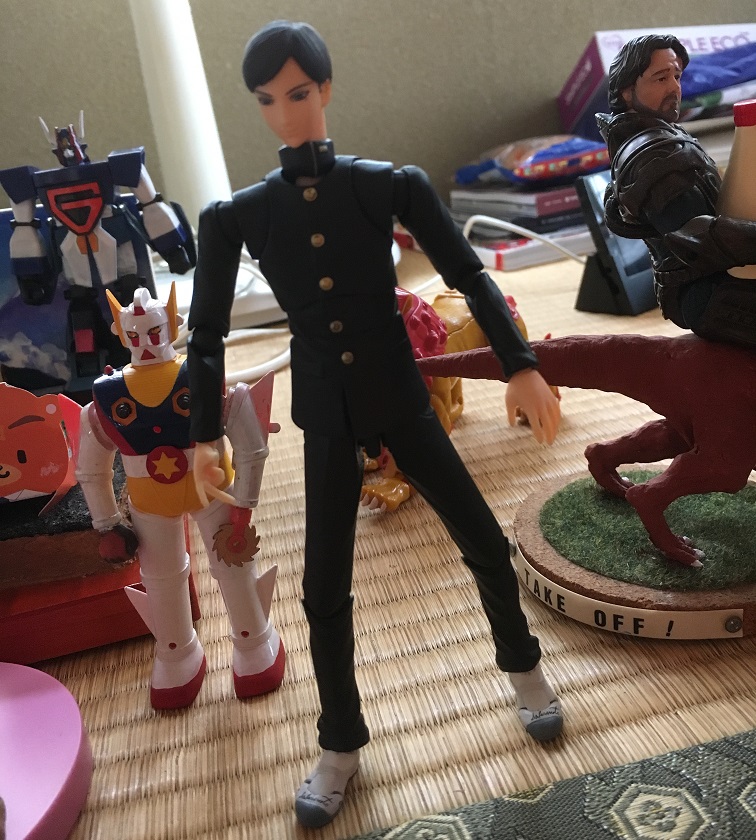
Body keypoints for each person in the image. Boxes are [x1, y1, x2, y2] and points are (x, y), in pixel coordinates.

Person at [187, 20, 563, 828]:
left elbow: (467, 272)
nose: (286, 113)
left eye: (298, 93)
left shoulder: (388, 185)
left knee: (481, 538)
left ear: (325, 89)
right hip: (325, 411)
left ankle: (526, 670)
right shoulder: (237, 216)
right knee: (324, 587)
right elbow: (207, 332)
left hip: (399, 394)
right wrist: (199, 432)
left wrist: (520, 362)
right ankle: (340, 742)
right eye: (267, 100)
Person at [76, 285, 284, 710]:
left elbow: (251, 445)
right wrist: (107, 523)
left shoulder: (202, 376)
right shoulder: (107, 398)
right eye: (136, 335)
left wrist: (245, 503)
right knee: (161, 578)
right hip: (151, 504)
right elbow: (91, 470)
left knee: (233, 566)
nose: (146, 342)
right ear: (122, 335)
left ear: (171, 326)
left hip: (213, 491)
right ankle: (176, 652)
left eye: (153, 332)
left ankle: (253, 640)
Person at [597, 34, 756, 348]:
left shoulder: (666, 135)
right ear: (627, 91)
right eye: (661, 78)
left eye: (677, 76)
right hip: (707, 293)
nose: (674, 87)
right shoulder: (651, 154)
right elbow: (696, 236)